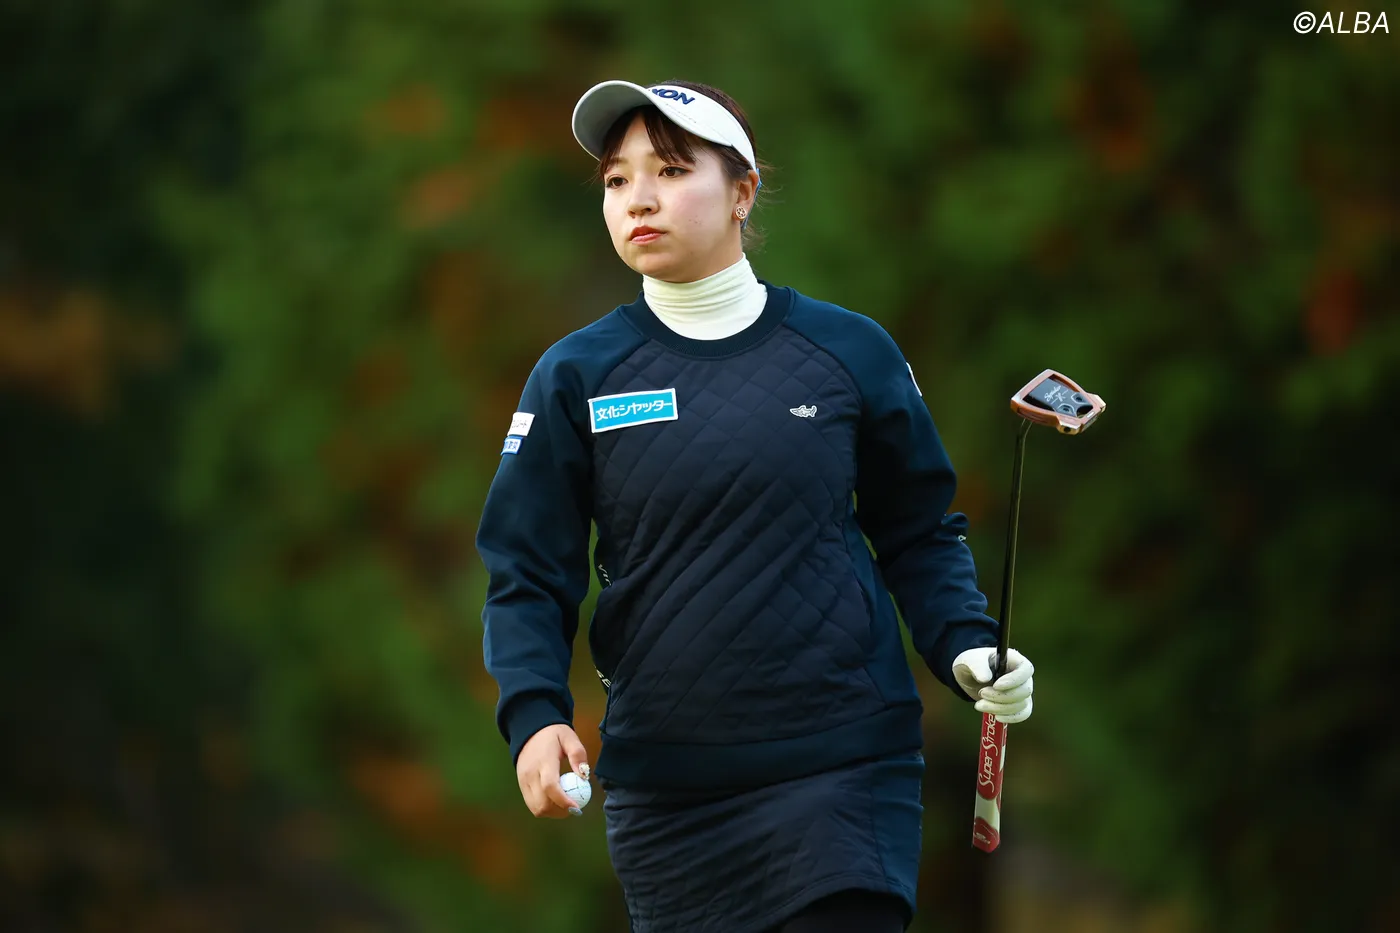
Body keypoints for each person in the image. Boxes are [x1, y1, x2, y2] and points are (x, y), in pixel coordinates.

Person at [476, 78, 1036, 933]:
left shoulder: (850, 350)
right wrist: (534, 712)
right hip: (670, 795)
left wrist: (964, 642)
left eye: (670, 170)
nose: (638, 199)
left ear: (743, 191)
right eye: (618, 180)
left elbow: (920, 530)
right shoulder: (576, 376)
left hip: (845, 767)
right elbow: (526, 570)